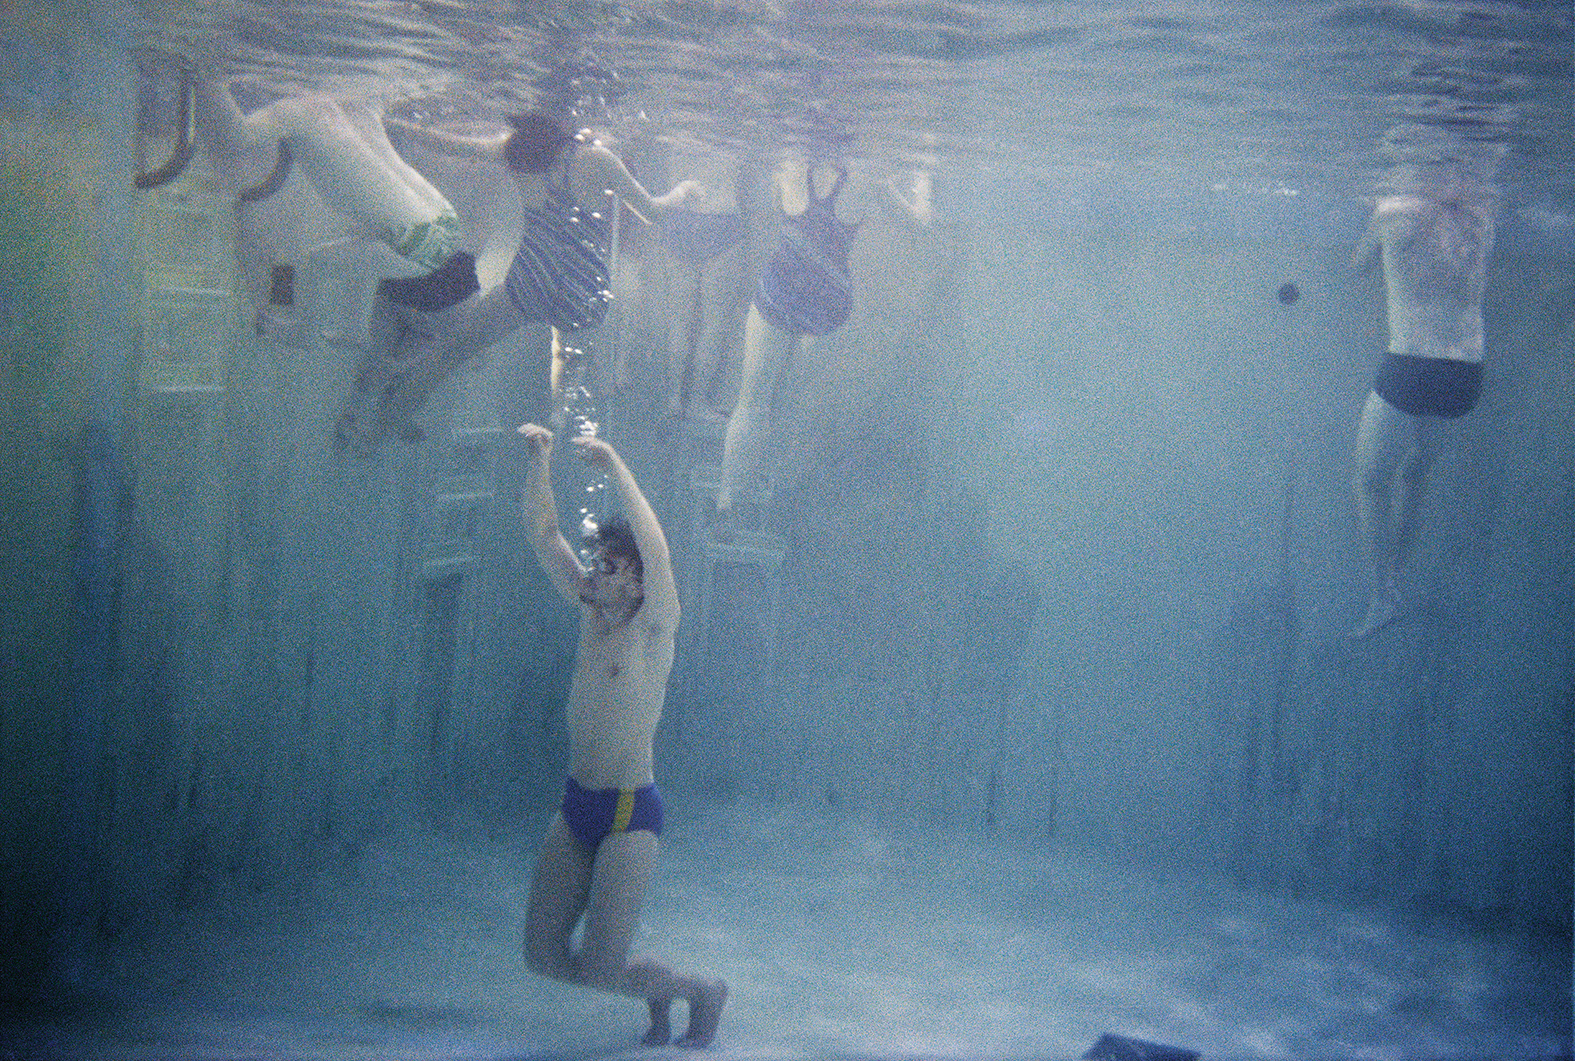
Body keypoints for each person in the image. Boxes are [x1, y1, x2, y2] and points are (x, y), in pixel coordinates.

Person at [517, 422, 728, 1048]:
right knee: (544, 959)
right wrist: (542, 459)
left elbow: (657, 551)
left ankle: (698, 991)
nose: (594, 574)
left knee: (603, 968)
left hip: (630, 812)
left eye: (609, 567)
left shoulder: (653, 629)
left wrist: (618, 467)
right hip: (577, 805)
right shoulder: (592, 613)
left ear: (634, 582)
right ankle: (661, 995)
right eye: (597, 565)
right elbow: (545, 536)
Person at [334, 113, 699, 452]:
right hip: (584, 286)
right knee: (567, 355)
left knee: (448, 355)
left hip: (532, 277)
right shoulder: (595, 160)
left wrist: (391, 123)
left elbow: (449, 143)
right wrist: (682, 190)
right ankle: (555, 423)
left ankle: (376, 433)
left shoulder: (515, 150)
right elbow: (650, 211)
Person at [716, 153, 932, 513]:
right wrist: (924, 178)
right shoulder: (870, 178)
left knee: (752, 402)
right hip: (828, 298)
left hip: (782, 286)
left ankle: (727, 499)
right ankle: (771, 483)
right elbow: (920, 228)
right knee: (793, 398)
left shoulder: (791, 162)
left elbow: (761, 202)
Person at [194, 75, 481, 334]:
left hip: (430, 235)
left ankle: (304, 335)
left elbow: (237, 135)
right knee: (344, 252)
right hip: (442, 227)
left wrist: (207, 76)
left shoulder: (304, 110)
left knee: (321, 262)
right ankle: (353, 332)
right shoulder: (352, 105)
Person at [1348, 156, 1497, 637]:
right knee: (1417, 471)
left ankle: (1383, 594)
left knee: (1371, 480)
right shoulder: (1483, 210)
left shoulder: (1393, 210)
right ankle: (1401, 576)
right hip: (1466, 373)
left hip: (1411, 364)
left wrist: (1372, 216)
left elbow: (1358, 267)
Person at [660, 142, 750, 423]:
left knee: (678, 318)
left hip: (680, 218)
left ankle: (673, 399)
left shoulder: (679, 113)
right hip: (722, 218)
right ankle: (697, 403)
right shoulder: (740, 120)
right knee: (714, 321)